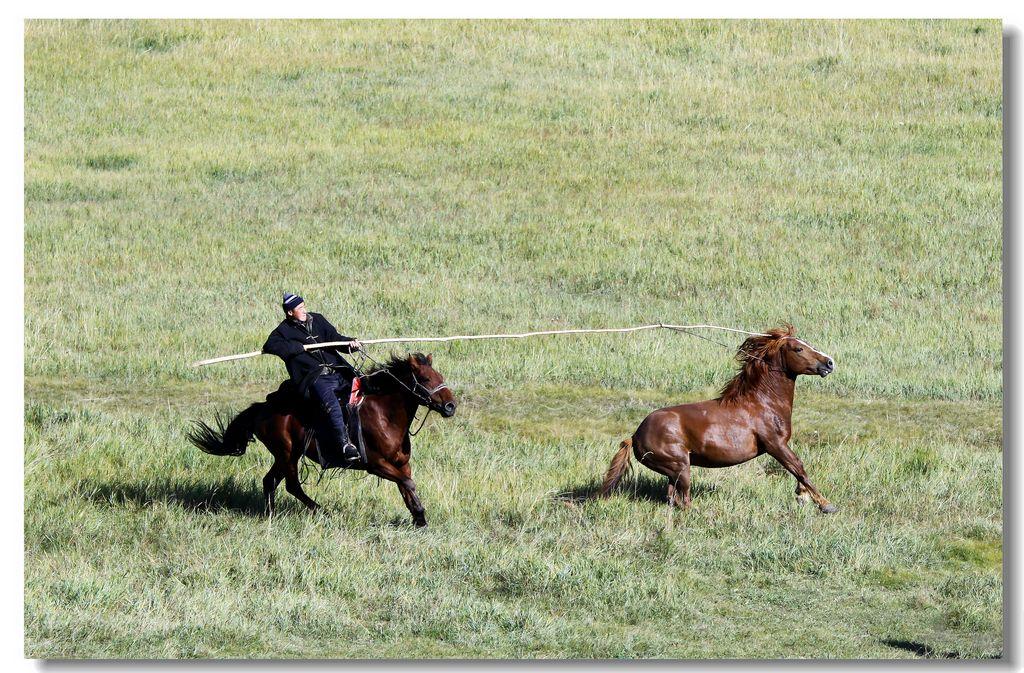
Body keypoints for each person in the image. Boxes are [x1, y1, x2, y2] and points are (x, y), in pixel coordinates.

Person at [262, 293, 362, 464]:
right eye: (299, 308)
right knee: (332, 406)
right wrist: (296, 347)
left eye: (303, 306)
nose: (304, 310)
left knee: (365, 388)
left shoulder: (317, 319)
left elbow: (334, 338)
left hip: (338, 371)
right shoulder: (283, 331)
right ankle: (344, 444)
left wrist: (349, 343)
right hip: (315, 378)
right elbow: (270, 346)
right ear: (290, 313)